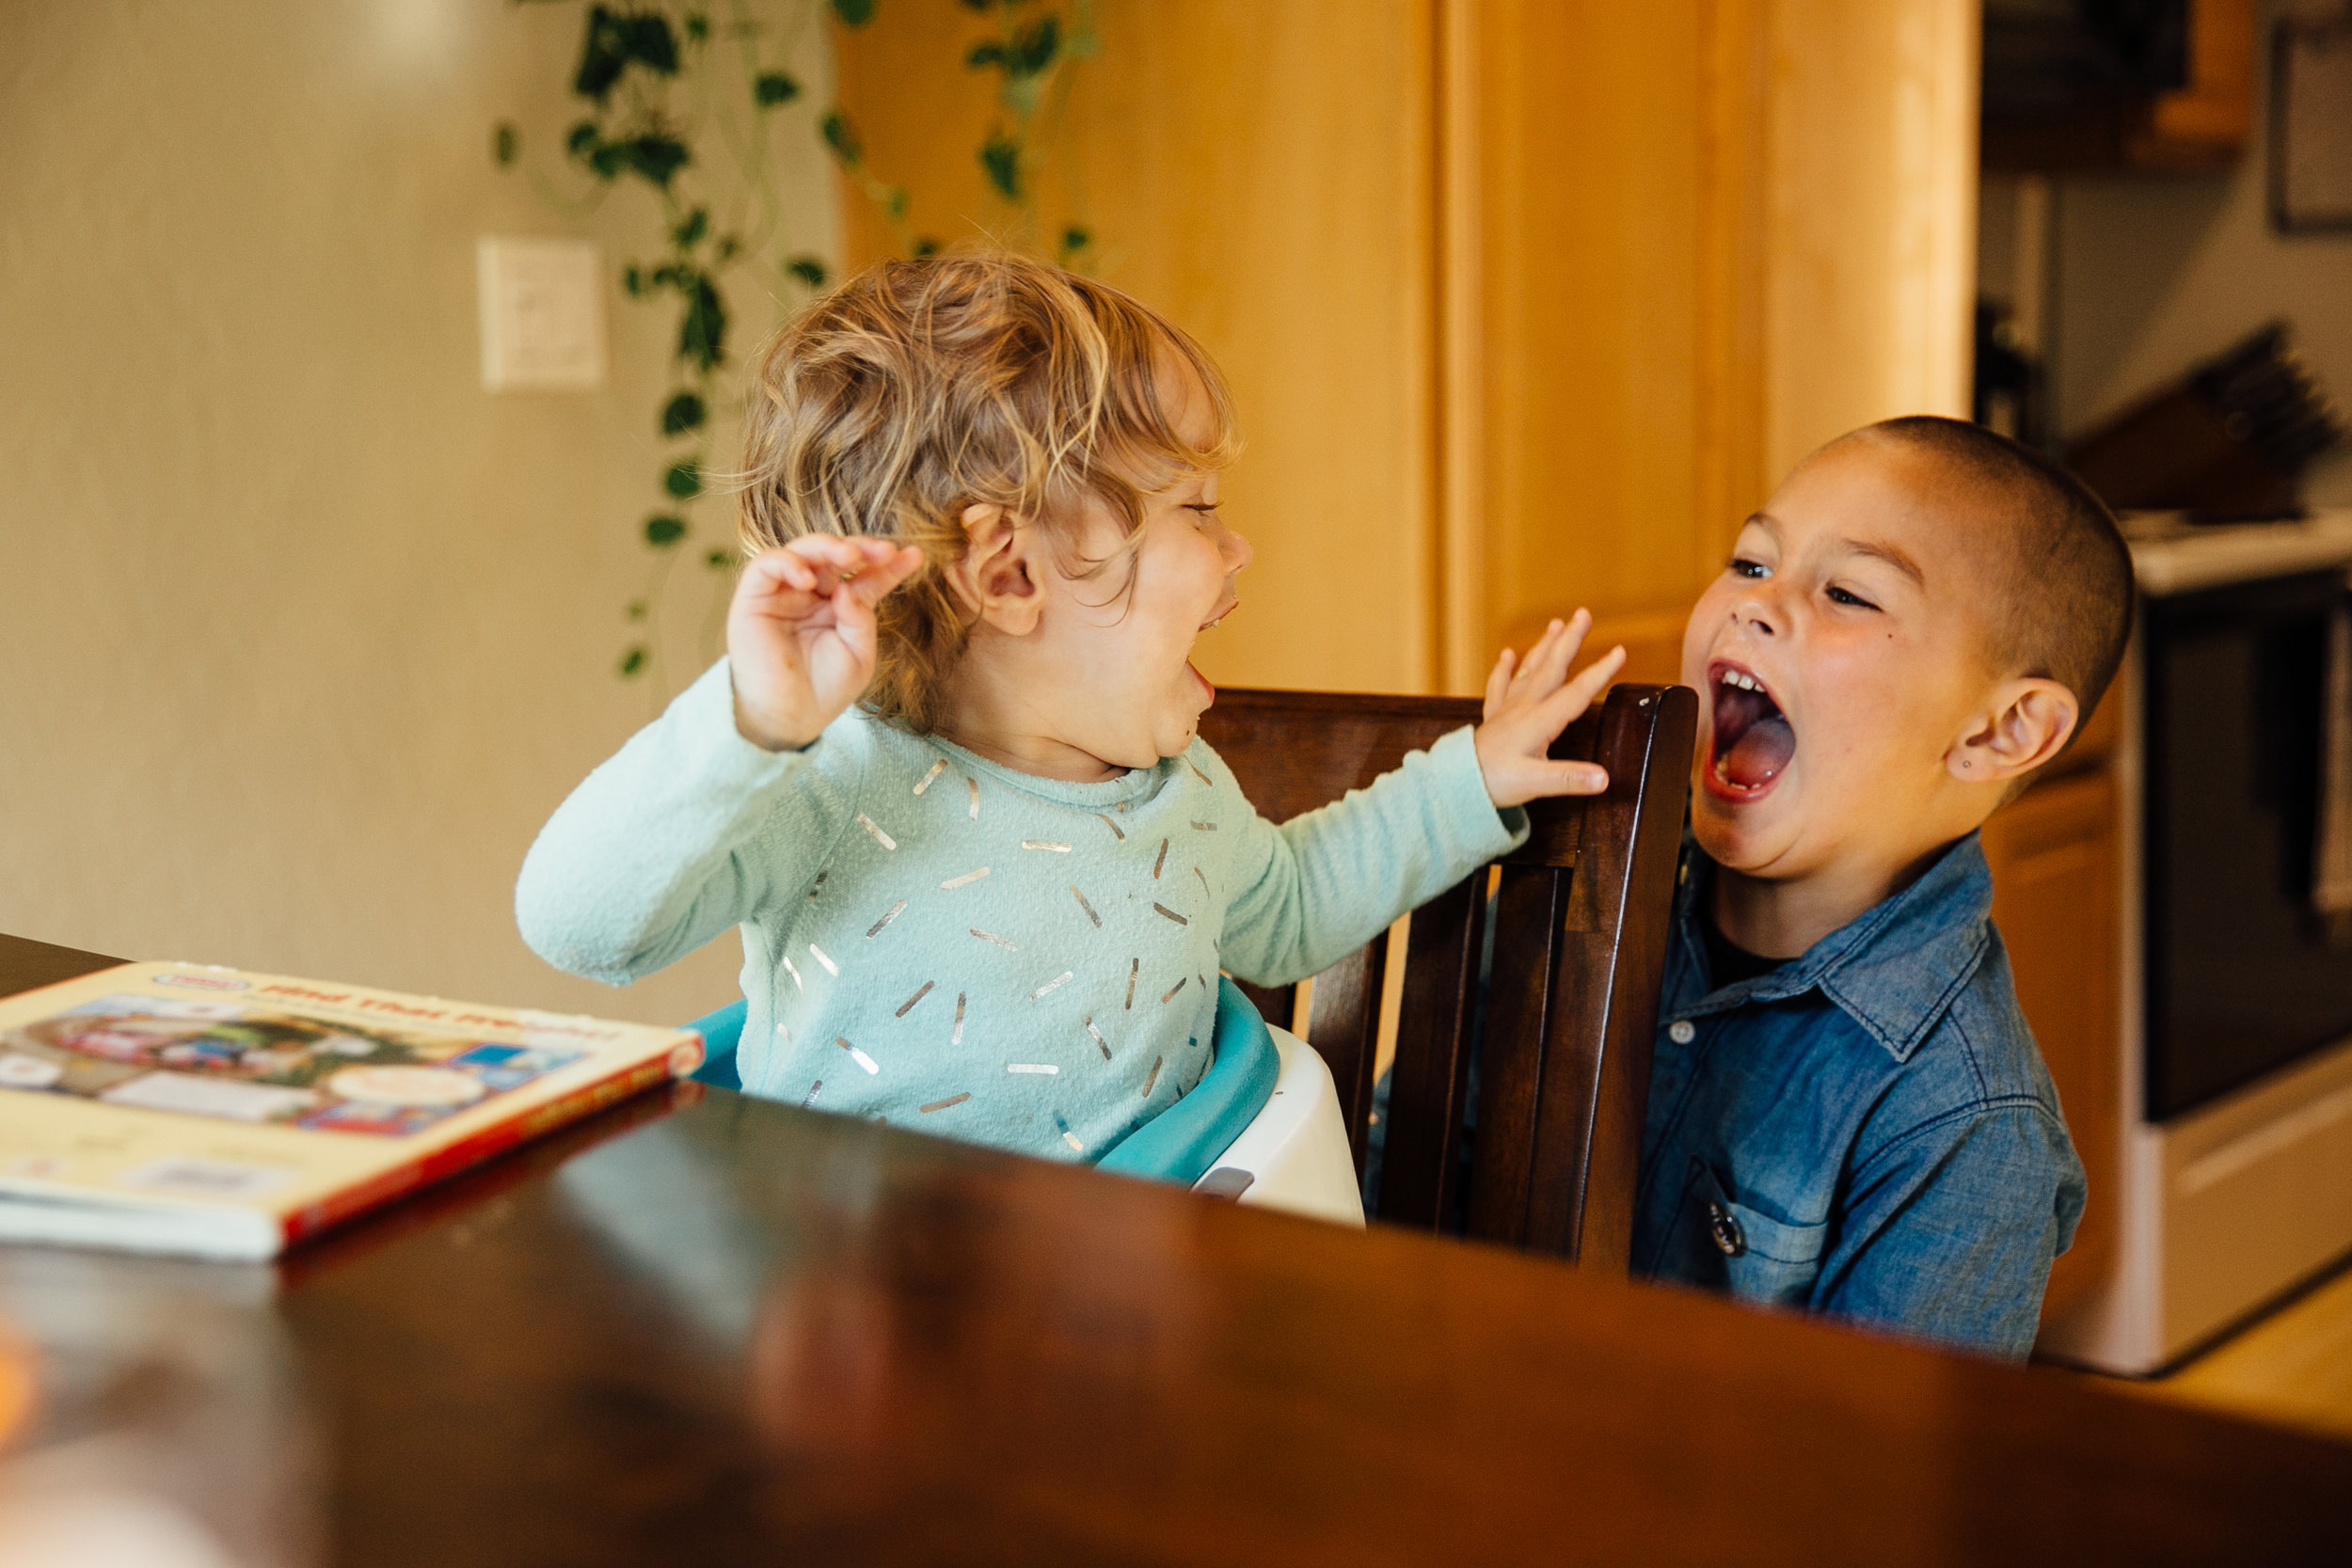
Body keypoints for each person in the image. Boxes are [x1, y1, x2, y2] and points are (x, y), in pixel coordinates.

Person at [516, 250, 1624, 1164]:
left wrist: (1467, 778)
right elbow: (580, 925)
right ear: (1008, 575)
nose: (1238, 547)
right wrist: (748, 726)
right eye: (1196, 508)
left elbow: (1288, 908)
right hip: (849, 1330)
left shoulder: (1179, 798)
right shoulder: (829, 788)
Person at [1633, 415, 2132, 1359]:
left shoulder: (1968, 1127)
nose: (1757, 604)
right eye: (1749, 563)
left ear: (2000, 733)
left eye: (1849, 593)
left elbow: (1872, 1484)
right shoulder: (1593, 888)